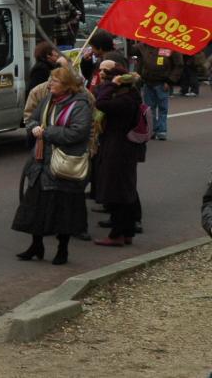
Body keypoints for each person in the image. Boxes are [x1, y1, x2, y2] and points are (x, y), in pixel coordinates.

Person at [11, 66, 93, 265]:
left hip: (63, 165)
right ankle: (36, 244)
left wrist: (46, 132)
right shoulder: (48, 100)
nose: (50, 84)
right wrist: (33, 128)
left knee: (63, 211)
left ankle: (62, 249)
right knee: (35, 208)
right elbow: (32, 120)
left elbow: (78, 132)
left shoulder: (80, 105)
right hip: (41, 163)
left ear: (66, 85)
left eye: (54, 81)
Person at [92, 60, 143, 246]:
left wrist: (113, 84)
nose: (105, 83)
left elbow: (101, 103)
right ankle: (127, 231)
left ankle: (117, 234)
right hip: (125, 147)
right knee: (126, 189)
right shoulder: (132, 96)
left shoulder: (124, 100)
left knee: (116, 191)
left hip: (118, 147)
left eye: (108, 79)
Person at [130, 42, 182, 141]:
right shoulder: (144, 45)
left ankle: (162, 131)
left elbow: (178, 65)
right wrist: (128, 39)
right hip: (147, 82)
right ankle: (152, 130)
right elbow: (131, 51)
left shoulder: (171, 45)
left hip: (162, 83)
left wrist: (170, 81)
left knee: (163, 108)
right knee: (149, 109)